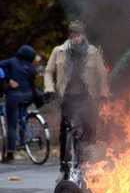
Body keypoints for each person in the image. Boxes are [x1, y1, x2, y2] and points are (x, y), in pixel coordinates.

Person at [44, 20, 110, 174]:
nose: (75, 37)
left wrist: (104, 93)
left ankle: (89, 162)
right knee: (64, 128)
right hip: (67, 95)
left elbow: (102, 75)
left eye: (78, 34)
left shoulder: (93, 52)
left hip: (87, 96)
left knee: (90, 129)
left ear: (83, 35)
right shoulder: (58, 51)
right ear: (69, 34)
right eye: (73, 33)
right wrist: (49, 88)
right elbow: (48, 71)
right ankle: (64, 161)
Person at [0, 45, 44, 162]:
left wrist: (8, 79)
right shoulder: (31, 68)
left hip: (14, 97)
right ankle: (24, 141)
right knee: (22, 117)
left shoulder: (10, 62)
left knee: (12, 125)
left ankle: (10, 154)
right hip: (29, 97)